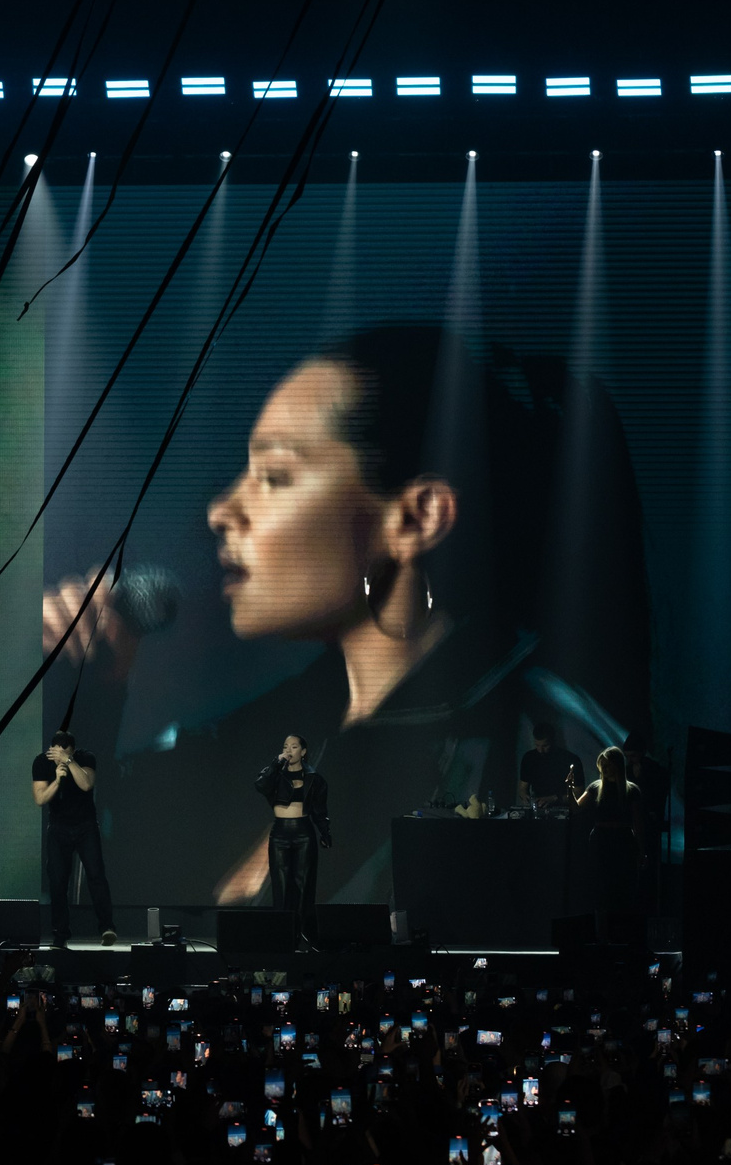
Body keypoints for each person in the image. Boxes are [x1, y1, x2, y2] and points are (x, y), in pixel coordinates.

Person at [43, 323, 652, 913]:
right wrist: (93, 695)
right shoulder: (263, 737)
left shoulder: (544, 740)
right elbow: (94, 888)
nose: (221, 510)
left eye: (275, 477)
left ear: (416, 518)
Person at [32, 729, 115, 945]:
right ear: (51, 751)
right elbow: (40, 798)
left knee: (96, 875)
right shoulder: (41, 763)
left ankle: (106, 927)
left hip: (85, 825)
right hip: (58, 827)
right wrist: (57, 781)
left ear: (73, 750)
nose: (60, 757)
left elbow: (86, 784)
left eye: (66, 753)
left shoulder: (85, 757)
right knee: (58, 881)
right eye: (57, 754)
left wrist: (69, 762)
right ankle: (60, 933)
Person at [254, 734, 332, 930]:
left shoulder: (314, 778)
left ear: (303, 751)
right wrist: (275, 764)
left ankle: (303, 934)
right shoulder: (275, 775)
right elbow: (260, 785)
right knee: (280, 885)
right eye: (286, 746)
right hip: (280, 833)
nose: (289, 750)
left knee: (303, 885)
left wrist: (324, 832)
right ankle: (283, 933)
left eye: (294, 746)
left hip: (303, 833)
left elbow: (319, 810)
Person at [570, 746, 642, 942]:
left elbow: (638, 824)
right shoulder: (595, 787)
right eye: (603, 766)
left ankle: (622, 934)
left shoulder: (631, 790)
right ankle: (602, 935)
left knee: (622, 888)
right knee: (602, 887)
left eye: (608, 765)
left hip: (623, 842)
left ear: (617, 765)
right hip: (602, 841)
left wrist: (641, 850)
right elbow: (576, 808)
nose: (605, 769)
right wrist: (569, 789)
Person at [519, 721, 582, 813]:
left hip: (564, 812)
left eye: (545, 746)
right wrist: (527, 799)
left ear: (553, 741)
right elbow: (522, 789)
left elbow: (579, 793)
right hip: (539, 811)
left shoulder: (570, 759)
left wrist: (554, 799)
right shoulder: (529, 758)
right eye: (537, 745)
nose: (540, 750)